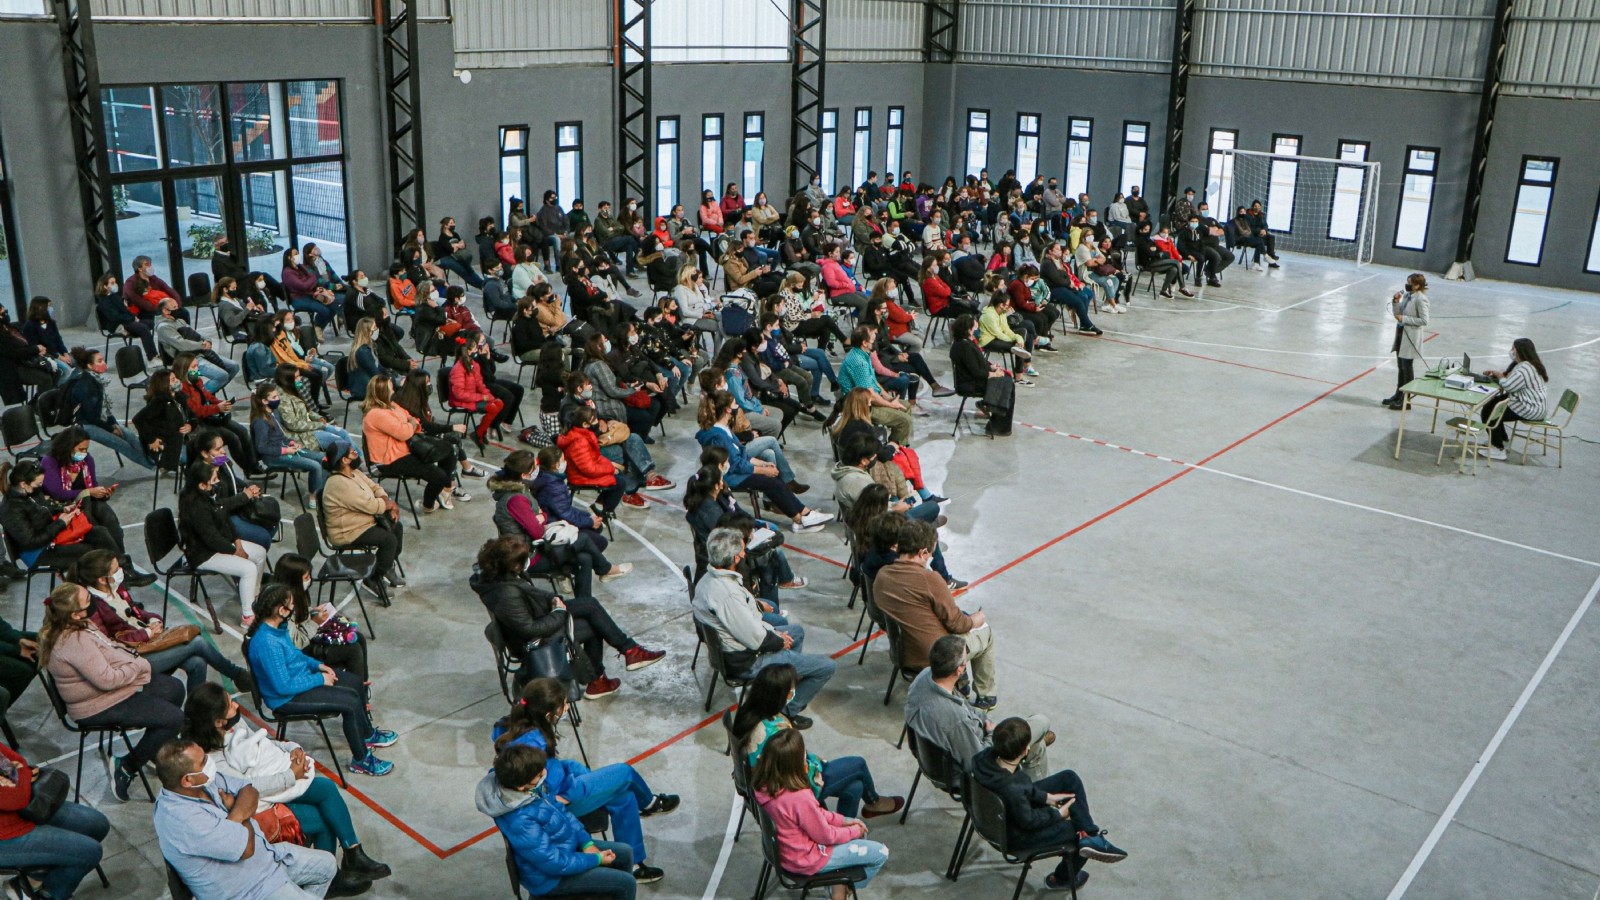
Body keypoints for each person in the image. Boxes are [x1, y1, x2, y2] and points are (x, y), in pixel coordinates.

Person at [181, 682, 390, 891]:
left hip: (271, 785)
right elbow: (247, 789)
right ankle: (328, 880)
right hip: (255, 812)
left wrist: (291, 748)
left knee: (325, 788)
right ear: (218, 721)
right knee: (322, 818)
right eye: (229, 704)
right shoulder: (210, 760)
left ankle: (351, 854)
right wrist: (290, 775)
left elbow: (262, 743)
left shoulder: (231, 724)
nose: (235, 705)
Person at [490, 678, 677, 881]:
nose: (568, 706)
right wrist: (579, 787)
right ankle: (649, 803)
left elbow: (555, 769)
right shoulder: (535, 744)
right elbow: (550, 790)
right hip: (563, 802)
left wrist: (577, 771)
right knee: (624, 772)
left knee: (624, 797)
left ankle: (632, 865)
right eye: (564, 704)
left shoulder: (513, 725)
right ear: (548, 713)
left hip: (562, 787)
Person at [39, 583, 185, 802]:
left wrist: (132, 659)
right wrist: (137, 666)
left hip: (114, 688)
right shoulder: (74, 641)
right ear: (76, 613)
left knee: (174, 688)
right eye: (88, 599)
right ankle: (126, 766)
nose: (93, 601)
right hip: (98, 704)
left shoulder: (80, 624)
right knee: (175, 719)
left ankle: (153, 750)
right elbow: (107, 680)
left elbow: (109, 649)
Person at [471, 536, 659, 699]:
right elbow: (529, 630)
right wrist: (558, 613)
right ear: (513, 565)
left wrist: (553, 598)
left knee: (589, 605)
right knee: (594, 625)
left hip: (540, 614)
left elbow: (532, 593)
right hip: (536, 640)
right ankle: (601, 678)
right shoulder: (506, 594)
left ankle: (628, 653)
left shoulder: (503, 577)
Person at [153, 740, 342, 899]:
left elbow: (249, 789)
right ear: (187, 780)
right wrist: (241, 815)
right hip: (249, 890)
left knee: (327, 866)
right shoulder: (182, 820)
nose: (209, 762)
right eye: (203, 761)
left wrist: (234, 817)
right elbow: (246, 849)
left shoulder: (202, 783)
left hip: (268, 858)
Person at [246, 584, 397, 778]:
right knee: (349, 702)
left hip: (301, 679)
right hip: (287, 698)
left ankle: (367, 734)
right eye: (291, 604)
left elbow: (296, 656)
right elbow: (283, 686)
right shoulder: (267, 643)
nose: (295, 607)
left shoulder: (279, 627)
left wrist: (318, 666)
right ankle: (361, 759)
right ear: (281, 610)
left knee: (355, 682)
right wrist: (319, 679)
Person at [692, 528, 836, 726]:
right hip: (746, 661)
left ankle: (783, 685)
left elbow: (747, 623)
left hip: (735, 649)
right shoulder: (727, 594)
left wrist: (774, 633)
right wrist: (778, 640)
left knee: (798, 632)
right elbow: (755, 639)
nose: (744, 554)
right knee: (827, 666)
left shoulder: (707, 580)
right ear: (734, 558)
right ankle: (786, 712)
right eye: (741, 551)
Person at [68, 549, 253, 698]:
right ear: (101, 579)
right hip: (133, 657)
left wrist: (153, 619)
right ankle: (237, 675)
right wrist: (146, 633)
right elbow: (110, 644)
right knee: (197, 643)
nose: (121, 573)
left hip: (147, 642)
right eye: (115, 571)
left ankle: (195, 715)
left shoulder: (116, 588)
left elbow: (136, 612)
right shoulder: (93, 607)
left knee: (197, 662)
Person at [970, 717, 1128, 892]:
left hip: (992, 815)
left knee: (1069, 778)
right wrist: (1057, 814)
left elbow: (1024, 789)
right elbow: (1028, 821)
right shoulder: (1012, 788)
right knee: (1075, 830)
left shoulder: (982, 758)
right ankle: (1061, 878)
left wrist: (1045, 797)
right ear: (1025, 750)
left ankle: (1089, 835)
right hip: (1012, 833)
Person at [732, 665, 902, 819]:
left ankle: (844, 832)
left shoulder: (748, 715)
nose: (794, 692)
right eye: (791, 690)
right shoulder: (779, 732)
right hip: (792, 789)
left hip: (768, 784)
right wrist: (816, 763)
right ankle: (874, 802)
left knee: (855, 787)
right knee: (858, 764)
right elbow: (799, 773)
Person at [477, 743, 641, 900]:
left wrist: (587, 844)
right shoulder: (520, 821)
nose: (544, 774)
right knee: (626, 884)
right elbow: (554, 863)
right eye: (539, 775)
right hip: (551, 879)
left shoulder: (530, 789)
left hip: (564, 848)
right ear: (521, 786)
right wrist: (596, 859)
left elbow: (563, 814)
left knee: (625, 853)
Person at [750, 729, 889, 899]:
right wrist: (854, 830)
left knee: (852, 825)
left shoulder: (763, 785)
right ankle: (841, 890)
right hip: (807, 859)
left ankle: (838, 890)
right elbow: (826, 836)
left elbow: (815, 814)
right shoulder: (799, 797)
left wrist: (842, 821)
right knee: (880, 853)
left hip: (784, 852)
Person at [872, 519, 997, 705]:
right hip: (936, 657)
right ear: (923, 552)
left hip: (902, 653)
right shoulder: (930, 579)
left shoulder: (882, 575)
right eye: (930, 555)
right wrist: (976, 620)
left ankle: (961, 682)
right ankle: (986, 697)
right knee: (985, 633)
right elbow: (957, 623)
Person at [905, 635, 1054, 782]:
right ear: (959, 669)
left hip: (935, 754)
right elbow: (976, 761)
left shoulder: (924, 677)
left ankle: (1024, 749)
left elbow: (965, 706)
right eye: (966, 657)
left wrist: (983, 719)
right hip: (965, 768)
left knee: (1034, 744)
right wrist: (991, 734)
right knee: (1041, 722)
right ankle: (1028, 767)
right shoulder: (955, 719)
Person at [488, 451, 627, 598]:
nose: (538, 470)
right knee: (584, 540)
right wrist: (540, 518)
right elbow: (537, 532)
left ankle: (584, 602)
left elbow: (542, 515)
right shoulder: (516, 500)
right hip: (527, 556)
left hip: (532, 547)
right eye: (534, 469)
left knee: (585, 558)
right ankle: (606, 569)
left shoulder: (520, 490)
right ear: (524, 475)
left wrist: (541, 516)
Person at [695, 392, 832, 534]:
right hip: (730, 476)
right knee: (770, 481)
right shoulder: (718, 435)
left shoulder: (725, 428)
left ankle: (802, 514)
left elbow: (742, 454)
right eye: (735, 404)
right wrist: (762, 470)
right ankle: (800, 518)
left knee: (773, 474)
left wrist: (763, 464)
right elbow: (735, 465)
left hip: (737, 469)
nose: (738, 406)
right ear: (727, 410)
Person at [38, 429, 155, 581]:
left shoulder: (87, 460)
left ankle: (121, 567)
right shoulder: (50, 462)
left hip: (85, 502)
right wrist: (87, 492)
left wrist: (102, 494)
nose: (84, 453)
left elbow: (93, 486)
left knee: (109, 519)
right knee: (98, 530)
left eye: (86, 449)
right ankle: (120, 569)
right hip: (62, 508)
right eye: (81, 449)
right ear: (68, 447)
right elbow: (57, 493)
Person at [0, 741, 110, 899]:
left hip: (22, 813)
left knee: (97, 825)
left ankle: (30, 882)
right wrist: (16, 774)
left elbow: (21, 762)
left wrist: (16, 777)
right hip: (5, 837)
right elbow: (16, 798)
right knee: (90, 852)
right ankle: (48, 895)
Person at [180, 460, 270, 629]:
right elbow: (211, 538)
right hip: (204, 554)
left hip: (220, 544)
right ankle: (248, 617)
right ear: (202, 485)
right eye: (214, 480)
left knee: (259, 553)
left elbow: (225, 520)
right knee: (248, 568)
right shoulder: (196, 507)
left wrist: (237, 542)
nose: (217, 482)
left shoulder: (209, 497)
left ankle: (253, 597)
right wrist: (235, 551)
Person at [319, 440, 405, 595]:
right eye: (352, 452)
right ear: (344, 460)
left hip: (363, 522)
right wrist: (390, 505)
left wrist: (386, 500)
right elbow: (370, 505)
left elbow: (374, 487)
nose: (356, 453)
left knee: (396, 527)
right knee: (388, 540)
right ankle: (373, 578)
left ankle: (387, 565)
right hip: (348, 531)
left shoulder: (353, 472)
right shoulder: (338, 483)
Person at [361, 375, 458, 512]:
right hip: (389, 461)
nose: (393, 391)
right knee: (439, 476)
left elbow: (411, 418)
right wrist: (410, 424)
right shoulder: (375, 414)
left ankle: (445, 490)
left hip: (404, 451)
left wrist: (410, 423)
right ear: (383, 392)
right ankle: (428, 505)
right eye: (390, 389)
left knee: (448, 449)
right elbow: (404, 432)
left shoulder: (391, 405)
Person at [268, 556, 368, 680]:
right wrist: (315, 622)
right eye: (306, 578)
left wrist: (312, 611)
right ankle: (356, 692)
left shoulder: (293, 595)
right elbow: (296, 643)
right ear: (293, 580)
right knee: (353, 650)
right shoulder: (282, 608)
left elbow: (298, 616)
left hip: (306, 636)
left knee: (360, 638)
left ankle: (362, 687)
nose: (309, 580)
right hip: (300, 651)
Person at [60, 347, 158, 468]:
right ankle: (154, 467)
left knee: (130, 436)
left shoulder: (97, 380)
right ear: (90, 366)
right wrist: (111, 429)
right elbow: (91, 417)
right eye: (100, 361)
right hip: (85, 425)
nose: (104, 364)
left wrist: (114, 423)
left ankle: (156, 458)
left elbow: (105, 408)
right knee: (122, 444)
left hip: (100, 420)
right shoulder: (84, 386)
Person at [172, 351, 259, 472]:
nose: (197, 369)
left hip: (210, 417)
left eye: (197, 366)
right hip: (199, 424)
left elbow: (208, 396)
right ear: (183, 369)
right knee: (233, 438)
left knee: (243, 431)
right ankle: (247, 469)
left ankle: (254, 466)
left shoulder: (197, 381)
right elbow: (196, 410)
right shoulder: (182, 390)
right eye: (193, 367)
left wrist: (220, 403)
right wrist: (217, 408)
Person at [250, 382, 327, 503]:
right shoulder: (260, 421)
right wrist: (286, 450)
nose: (278, 399)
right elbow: (261, 447)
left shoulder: (274, 413)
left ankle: (323, 491)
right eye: (274, 397)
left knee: (323, 458)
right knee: (315, 466)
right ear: (264, 401)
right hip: (273, 457)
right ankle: (314, 497)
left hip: (285, 449)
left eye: (277, 396)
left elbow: (281, 435)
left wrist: (291, 442)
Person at [835, 326, 913, 445]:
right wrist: (891, 405)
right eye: (872, 340)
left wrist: (888, 398)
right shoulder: (859, 362)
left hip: (869, 399)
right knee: (905, 421)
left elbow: (874, 382)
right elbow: (869, 395)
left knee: (906, 406)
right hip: (862, 406)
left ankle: (899, 443)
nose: (874, 342)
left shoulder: (862, 354)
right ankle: (893, 448)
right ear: (864, 343)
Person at [1481, 337, 1550, 459]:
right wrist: (1499, 376)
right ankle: (1502, 440)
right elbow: (1511, 381)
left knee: (1490, 412)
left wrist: (1499, 376)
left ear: (1520, 351)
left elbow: (1509, 386)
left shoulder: (1525, 368)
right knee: (1494, 403)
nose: (1511, 351)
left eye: (1513, 348)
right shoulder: (1527, 365)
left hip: (1530, 408)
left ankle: (1498, 448)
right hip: (1535, 405)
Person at [950, 314, 1015, 437]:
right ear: (968, 330)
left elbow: (977, 364)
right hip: (969, 383)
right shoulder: (964, 347)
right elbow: (975, 371)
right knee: (1007, 383)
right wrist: (993, 374)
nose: (977, 330)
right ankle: (997, 422)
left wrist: (991, 367)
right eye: (975, 327)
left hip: (972, 379)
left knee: (1007, 380)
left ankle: (993, 411)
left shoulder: (965, 342)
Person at [155, 299, 238, 394]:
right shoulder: (164, 327)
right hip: (185, 361)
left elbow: (196, 334)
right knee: (222, 376)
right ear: (165, 311)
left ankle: (209, 393)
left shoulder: (180, 321)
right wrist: (202, 345)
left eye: (177, 306)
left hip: (199, 353)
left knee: (233, 366)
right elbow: (182, 345)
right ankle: (199, 397)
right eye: (174, 308)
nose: (179, 310)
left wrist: (207, 340)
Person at [1382, 273, 1432, 410]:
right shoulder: (1408, 296)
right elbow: (1398, 314)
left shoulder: (1421, 300)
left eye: (1410, 282)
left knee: (1407, 367)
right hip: (1401, 334)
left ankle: (1406, 400)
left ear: (1417, 285)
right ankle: (1398, 394)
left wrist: (1404, 319)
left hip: (1410, 337)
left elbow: (1424, 321)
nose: (1407, 284)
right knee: (1401, 367)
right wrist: (1396, 302)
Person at [132, 368, 193, 473]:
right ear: (165, 384)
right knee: (199, 457)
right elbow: (138, 419)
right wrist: (152, 439)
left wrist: (191, 425)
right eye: (173, 380)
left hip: (181, 440)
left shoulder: (180, 397)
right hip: (168, 446)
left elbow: (192, 416)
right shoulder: (158, 402)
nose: (178, 381)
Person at [93, 272, 158, 358]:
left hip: (126, 320)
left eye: (115, 282)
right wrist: (132, 318)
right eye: (112, 283)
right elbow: (114, 317)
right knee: (143, 328)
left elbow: (125, 311)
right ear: (105, 286)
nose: (115, 285)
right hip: (117, 324)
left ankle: (156, 353)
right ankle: (152, 357)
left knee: (151, 323)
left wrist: (133, 317)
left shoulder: (114, 296)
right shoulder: (103, 301)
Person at [281, 246, 337, 330]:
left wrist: (315, 287)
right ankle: (317, 327)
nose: (298, 256)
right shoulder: (288, 273)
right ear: (289, 258)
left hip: (311, 294)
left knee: (333, 305)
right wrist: (314, 279)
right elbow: (303, 285)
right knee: (324, 310)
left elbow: (313, 280)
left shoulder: (302, 267)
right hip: (299, 299)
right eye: (296, 254)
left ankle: (320, 326)